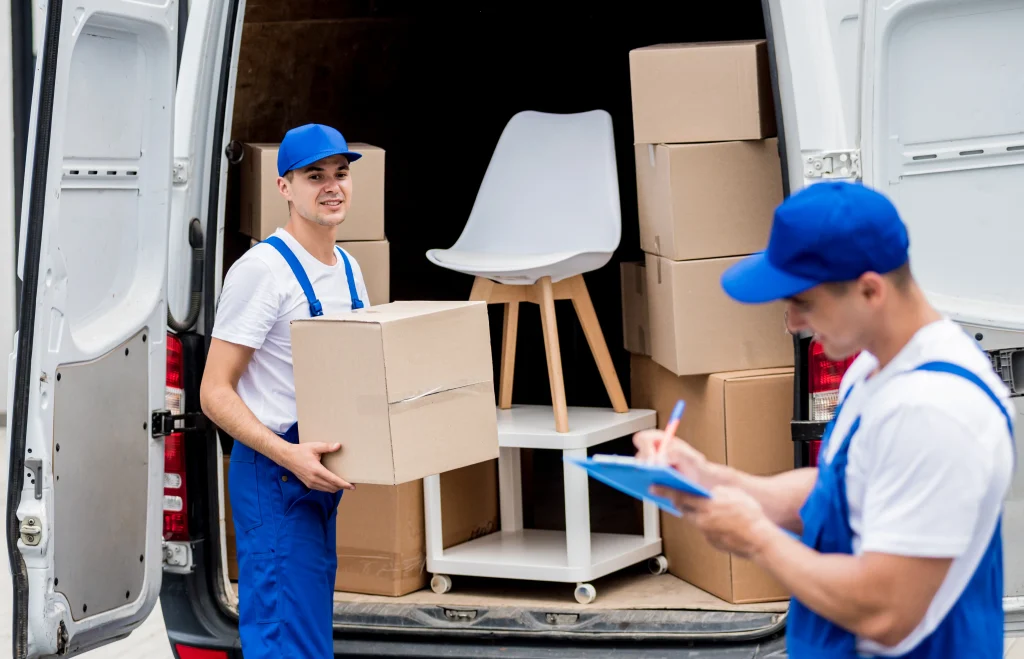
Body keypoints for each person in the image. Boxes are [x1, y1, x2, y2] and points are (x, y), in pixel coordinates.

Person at [634, 181, 1014, 658]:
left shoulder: (937, 412)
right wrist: (711, 480)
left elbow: (885, 612)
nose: (792, 323)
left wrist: (756, 538)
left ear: (870, 289)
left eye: (804, 303)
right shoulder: (874, 366)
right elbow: (843, 490)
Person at [200, 123, 371, 658]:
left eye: (340, 174)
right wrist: (287, 456)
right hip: (273, 472)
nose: (331, 186)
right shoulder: (262, 272)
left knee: (308, 635)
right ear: (284, 187)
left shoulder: (348, 269)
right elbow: (214, 392)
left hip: (316, 474)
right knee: (283, 641)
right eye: (314, 175)